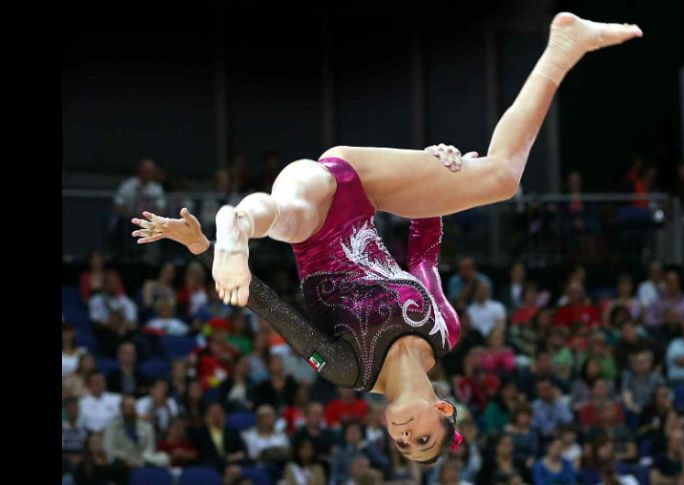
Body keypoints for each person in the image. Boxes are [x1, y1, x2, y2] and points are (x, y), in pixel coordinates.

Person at [133, 13, 643, 463]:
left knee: (288, 213)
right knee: (501, 178)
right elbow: (423, 251)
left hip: (311, 220)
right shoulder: (443, 330)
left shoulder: (347, 370)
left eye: (402, 445)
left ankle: (234, 225)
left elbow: (273, 312)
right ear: (444, 410)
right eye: (422, 439)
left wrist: (202, 249)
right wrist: (436, 169)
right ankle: (564, 47)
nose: (404, 437)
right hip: (363, 188)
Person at [102, 395, 170, 469]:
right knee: (113, 461)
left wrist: (140, 460)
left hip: (142, 459)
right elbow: (109, 449)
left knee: (164, 458)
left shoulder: (146, 427)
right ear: (121, 409)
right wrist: (127, 459)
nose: (130, 410)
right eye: (127, 407)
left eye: (132, 407)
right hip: (122, 460)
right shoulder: (111, 427)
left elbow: (150, 447)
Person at [189, 402, 248, 472]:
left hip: (232, 465)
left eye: (219, 412)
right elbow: (201, 456)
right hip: (210, 466)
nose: (217, 416)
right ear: (207, 415)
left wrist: (236, 456)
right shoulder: (199, 433)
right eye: (214, 413)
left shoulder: (232, 432)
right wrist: (225, 459)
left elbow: (242, 451)